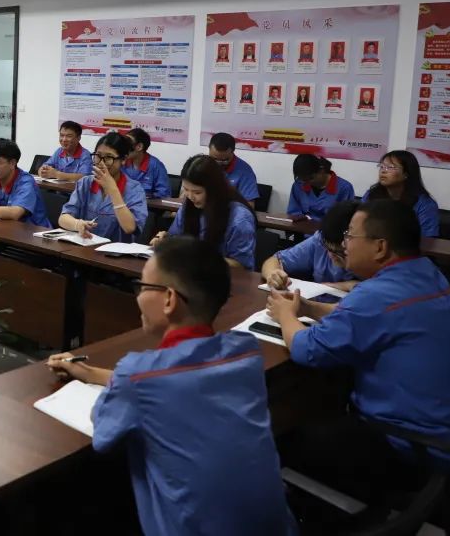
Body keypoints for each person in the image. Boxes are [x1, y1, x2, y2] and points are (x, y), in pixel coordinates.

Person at [47, 237, 296, 536]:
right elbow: (174, 381)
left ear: (169, 299)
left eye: (142, 287)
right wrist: (89, 373)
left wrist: (120, 381)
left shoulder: (137, 376)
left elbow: (104, 434)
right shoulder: (246, 353)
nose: (137, 297)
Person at [267, 200, 450, 496]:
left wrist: (286, 316)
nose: (344, 244)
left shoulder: (377, 294)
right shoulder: (424, 273)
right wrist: (309, 308)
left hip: (428, 453)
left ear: (380, 247)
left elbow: (308, 349)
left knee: (281, 435)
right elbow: (368, 317)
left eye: (350, 236)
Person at [151, 155, 256, 270]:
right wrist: (165, 240)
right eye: (186, 190)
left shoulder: (239, 219)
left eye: (197, 192)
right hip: (189, 273)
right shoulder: (189, 206)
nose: (190, 196)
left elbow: (241, 266)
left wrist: (200, 257)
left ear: (214, 189)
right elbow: (177, 237)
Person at [59, 133, 148, 243]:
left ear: (123, 159)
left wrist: (113, 189)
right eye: (98, 156)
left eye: (109, 157)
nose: (101, 163)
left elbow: (129, 228)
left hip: (115, 251)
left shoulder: (134, 189)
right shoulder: (86, 183)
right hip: (85, 246)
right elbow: (63, 218)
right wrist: (77, 224)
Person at [262, 200, 360, 291]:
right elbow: (274, 260)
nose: (330, 255)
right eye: (328, 248)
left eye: (338, 252)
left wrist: (343, 286)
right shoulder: (320, 240)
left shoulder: (365, 253)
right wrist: (273, 274)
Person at [362, 150, 439, 237]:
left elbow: (427, 238)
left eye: (390, 167)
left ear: (406, 174)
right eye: (382, 166)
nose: (383, 171)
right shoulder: (371, 194)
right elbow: (358, 224)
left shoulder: (425, 204)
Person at [287, 154, 355, 221]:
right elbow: (293, 212)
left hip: (330, 227)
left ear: (321, 170)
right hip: (303, 226)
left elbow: (345, 219)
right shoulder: (299, 184)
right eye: (303, 180)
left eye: (311, 178)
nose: (307, 183)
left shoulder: (344, 188)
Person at [208, 132, 259, 203]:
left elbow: (249, 205)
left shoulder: (245, 171)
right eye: (215, 159)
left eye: (224, 160)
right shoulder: (203, 164)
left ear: (233, 151)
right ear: (209, 149)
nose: (219, 163)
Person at [121, 127, 170, 198]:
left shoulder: (156, 166)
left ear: (139, 146)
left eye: (128, 143)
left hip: (148, 204)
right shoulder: (122, 162)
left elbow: (164, 194)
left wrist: (148, 197)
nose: (124, 148)